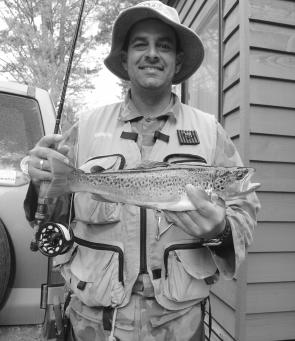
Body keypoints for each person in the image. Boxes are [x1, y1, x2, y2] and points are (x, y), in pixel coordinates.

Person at [24, 1, 260, 340]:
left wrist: (221, 231)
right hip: (93, 322)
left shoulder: (211, 132)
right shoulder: (86, 127)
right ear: (124, 59)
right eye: (140, 44)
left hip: (180, 324)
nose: (152, 53)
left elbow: (245, 214)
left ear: (177, 60)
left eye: (163, 45)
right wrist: (39, 183)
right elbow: (48, 220)